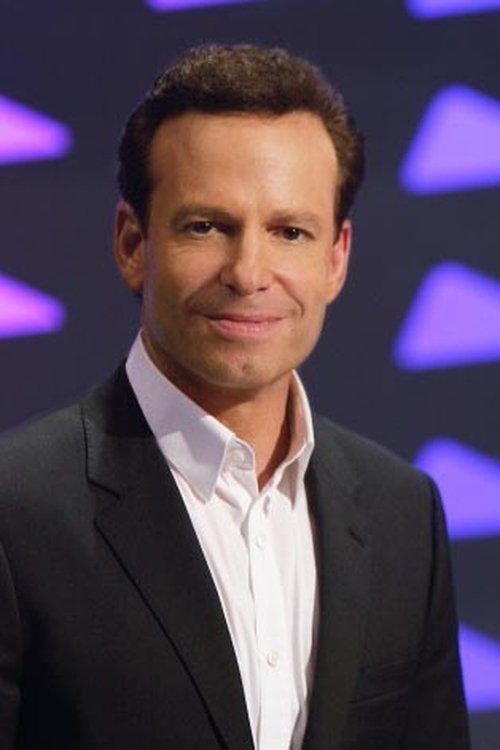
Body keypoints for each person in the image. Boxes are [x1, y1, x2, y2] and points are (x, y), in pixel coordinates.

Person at [0, 44, 469, 749]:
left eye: (290, 232)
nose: (249, 272)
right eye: (207, 226)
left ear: (336, 258)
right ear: (132, 244)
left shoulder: (403, 513)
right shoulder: (15, 512)